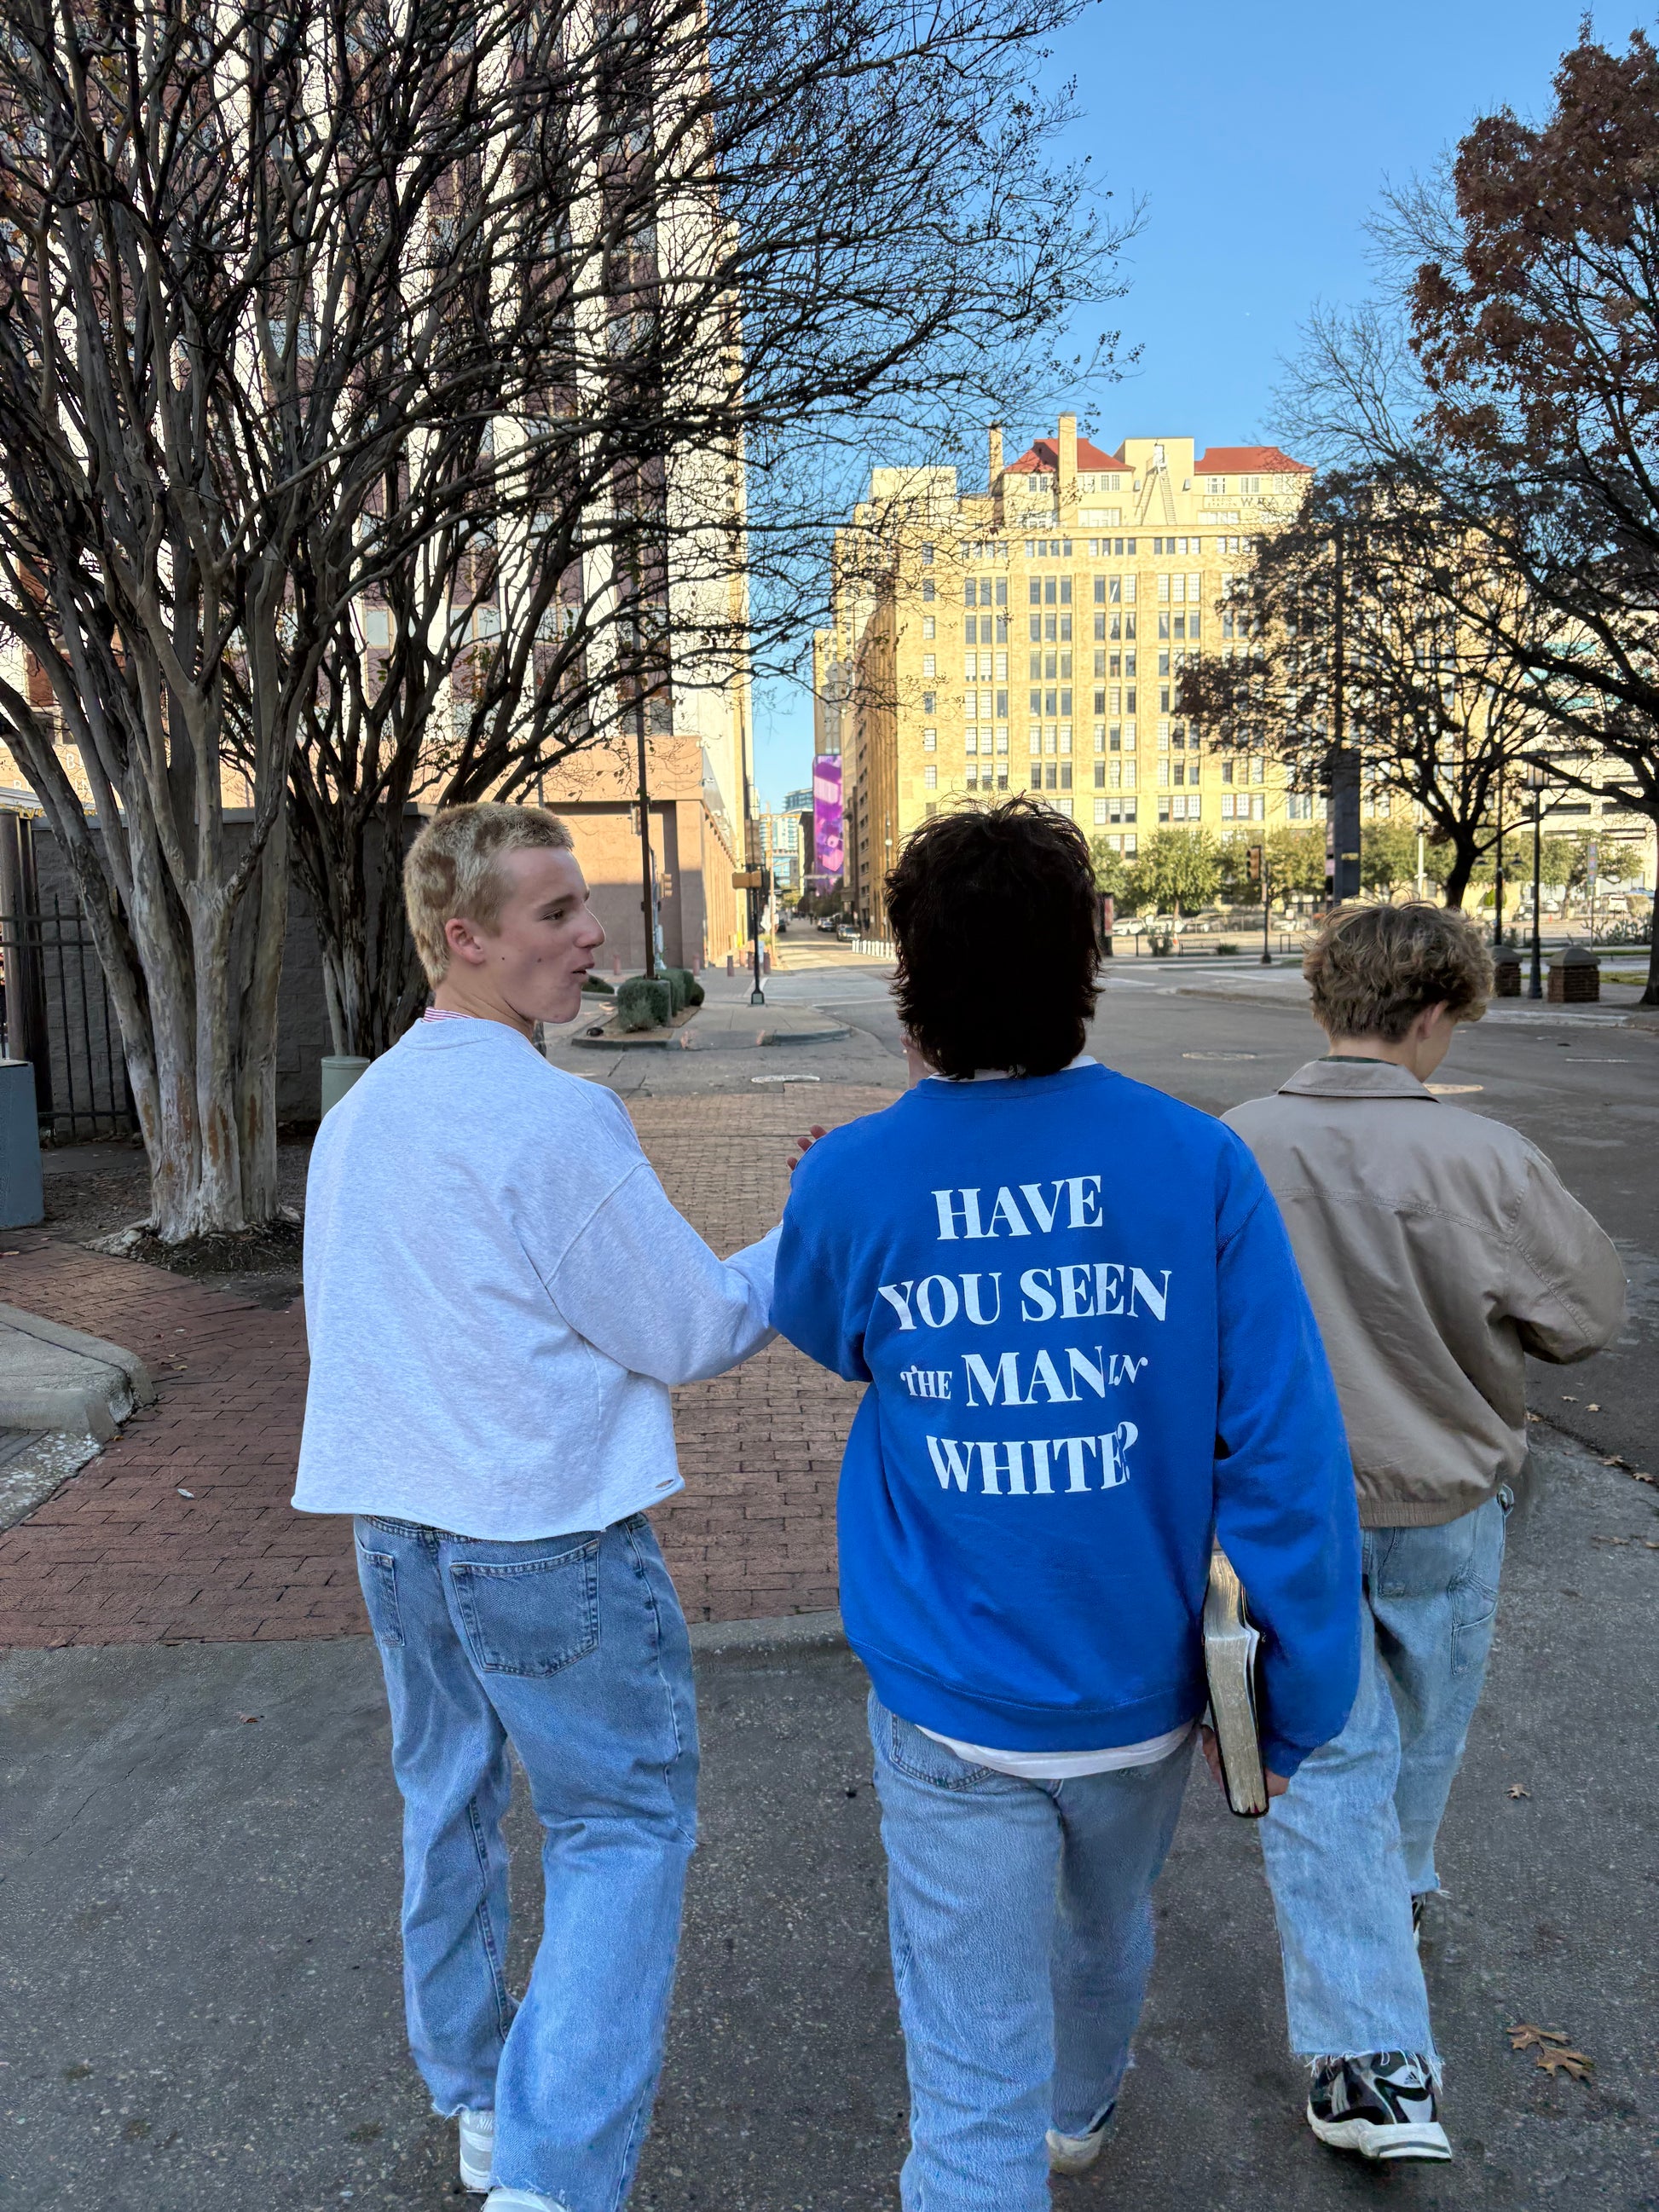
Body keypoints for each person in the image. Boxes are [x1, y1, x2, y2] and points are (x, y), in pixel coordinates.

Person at [771, 798, 1362, 2212]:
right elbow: (1282, 1458)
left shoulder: (852, 1172)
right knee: (1107, 1924)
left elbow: (831, 1334)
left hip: (947, 1689)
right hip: (1137, 1682)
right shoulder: (1194, 1160)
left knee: (966, 2081)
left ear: (909, 977)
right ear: (1090, 952)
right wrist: (1295, 1706)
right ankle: (1081, 2107)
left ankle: (1028, 2131)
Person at [293, 803, 778, 2212]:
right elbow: (688, 1326)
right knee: (618, 1831)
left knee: (445, 1802)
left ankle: (475, 2093)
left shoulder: (360, 1118)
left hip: (397, 1528)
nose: (591, 934)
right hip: (540, 1531)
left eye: (582, 907)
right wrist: (810, 1228)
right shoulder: (555, 1117)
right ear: (463, 938)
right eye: (556, 912)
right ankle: (554, 2175)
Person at [1224, 901, 1626, 2166]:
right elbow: (1583, 1320)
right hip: (1447, 1496)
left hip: (1283, 1508)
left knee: (1324, 1755)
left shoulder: (1232, 1146)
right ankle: (1375, 2018)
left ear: (1323, 1000)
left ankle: (1368, 1997)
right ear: (1441, 1011)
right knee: (1413, 1744)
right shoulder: (1488, 1160)